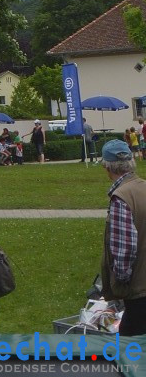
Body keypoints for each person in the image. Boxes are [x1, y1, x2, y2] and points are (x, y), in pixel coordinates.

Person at [100, 138, 146, 335]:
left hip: (138, 289)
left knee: (130, 352)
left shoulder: (121, 197)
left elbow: (124, 249)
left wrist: (120, 282)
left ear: (107, 167)